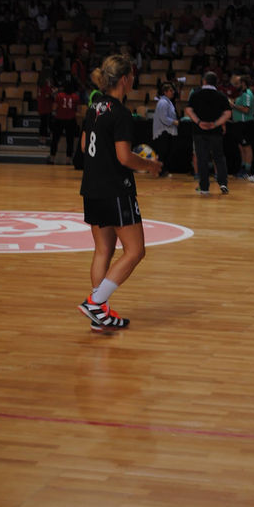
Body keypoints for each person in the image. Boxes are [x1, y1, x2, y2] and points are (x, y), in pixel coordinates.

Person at [78, 54, 162, 331]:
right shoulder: (121, 113)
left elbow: (83, 147)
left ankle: (99, 315)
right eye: (133, 75)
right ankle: (95, 303)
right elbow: (125, 157)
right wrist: (150, 165)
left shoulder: (94, 108)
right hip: (115, 189)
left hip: (91, 187)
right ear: (125, 79)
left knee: (103, 250)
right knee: (135, 251)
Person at [185, 70, 232, 195]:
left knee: (202, 158)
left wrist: (199, 122)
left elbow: (189, 110)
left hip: (199, 131)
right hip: (215, 132)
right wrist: (215, 124)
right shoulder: (221, 96)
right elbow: (228, 113)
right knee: (219, 157)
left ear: (204, 81)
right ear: (216, 82)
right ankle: (223, 183)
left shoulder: (195, 94)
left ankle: (204, 187)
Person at [48, 78, 80, 164]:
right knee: (70, 140)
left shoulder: (59, 96)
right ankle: (68, 160)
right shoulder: (75, 97)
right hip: (71, 120)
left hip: (59, 119)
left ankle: (52, 158)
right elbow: (78, 110)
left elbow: (54, 107)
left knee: (55, 139)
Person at [230, 74, 254, 178]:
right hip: (239, 124)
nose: (236, 86)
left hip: (245, 124)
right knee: (241, 147)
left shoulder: (247, 94)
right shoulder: (241, 94)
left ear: (243, 83)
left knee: (247, 147)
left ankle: (247, 171)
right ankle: (243, 167)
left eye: (237, 83)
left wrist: (233, 105)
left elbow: (246, 109)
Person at [152, 82, 179, 176]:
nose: (173, 92)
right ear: (165, 92)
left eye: (173, 90)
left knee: (166, 152)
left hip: (167, 131)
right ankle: (161, 171)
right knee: (163, 152)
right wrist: (174, 122)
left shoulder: (168, 102)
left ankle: (163, 170)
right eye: (170, 91)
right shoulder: (163, 102)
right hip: (163, 131)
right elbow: (163, 118)